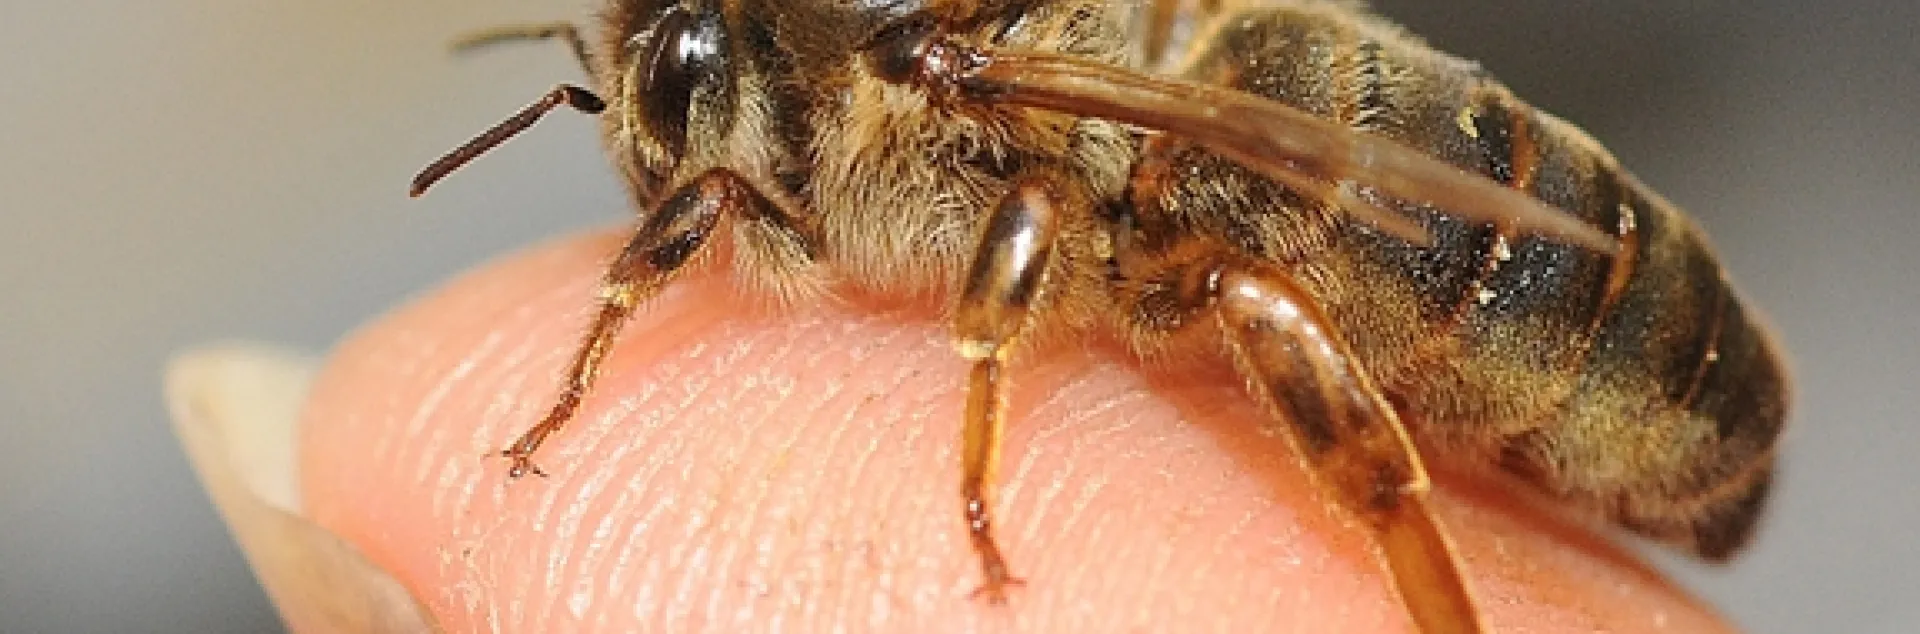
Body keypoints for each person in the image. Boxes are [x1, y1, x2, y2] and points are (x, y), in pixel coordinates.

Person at [170, 230, 1736, 633]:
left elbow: (1031, 215)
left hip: (1570, 315)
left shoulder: (973, 99)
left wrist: (977, 446)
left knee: (1254, 283)